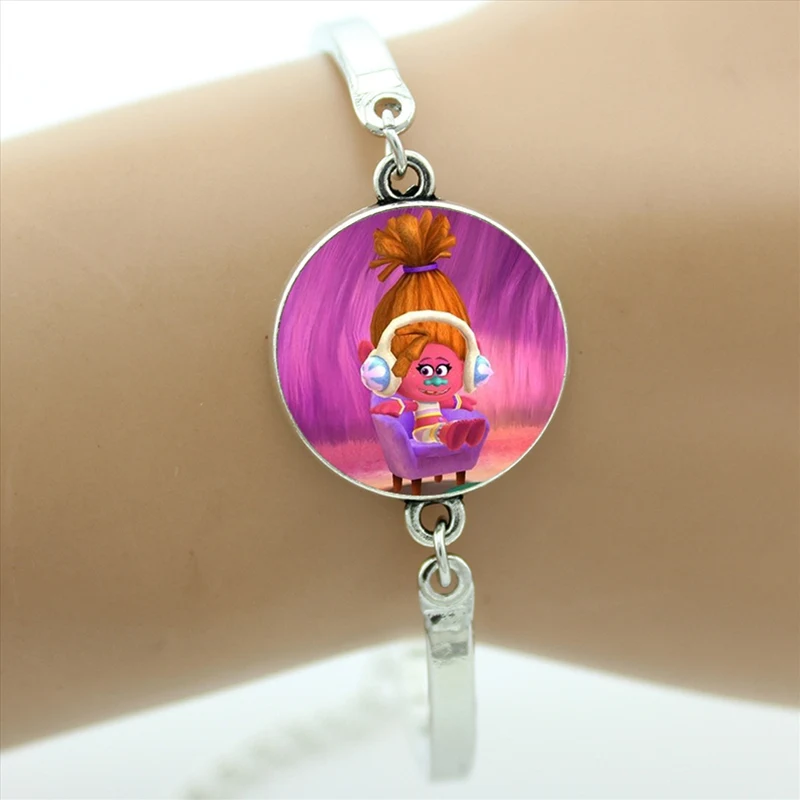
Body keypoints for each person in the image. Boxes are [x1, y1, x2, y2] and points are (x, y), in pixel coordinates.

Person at [1, 0, 797, 748]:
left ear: (472, 363)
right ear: (385, 365)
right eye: (425, 364)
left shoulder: (466, 405)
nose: (438, 375)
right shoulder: (386, 408)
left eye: (449, 363)